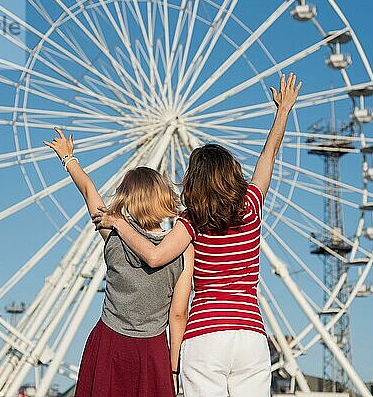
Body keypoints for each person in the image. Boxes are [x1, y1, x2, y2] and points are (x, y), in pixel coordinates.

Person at [92, 73, 301, 397]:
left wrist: (118, 223)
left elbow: (154, 256)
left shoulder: (191, 222)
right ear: (233, 174)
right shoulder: (251, 206)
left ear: (193, 182)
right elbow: (267, 157)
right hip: (250, 335)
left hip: (205, 334)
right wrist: (283, 111)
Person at [44, 128, 194, 397]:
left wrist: (68, 158)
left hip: (109, 341)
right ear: (164, 199)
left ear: (127, 199)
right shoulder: (182, 250)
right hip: (152, 349)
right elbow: (179, 314)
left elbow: (89, 191)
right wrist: (173, 370)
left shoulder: (113, 234)